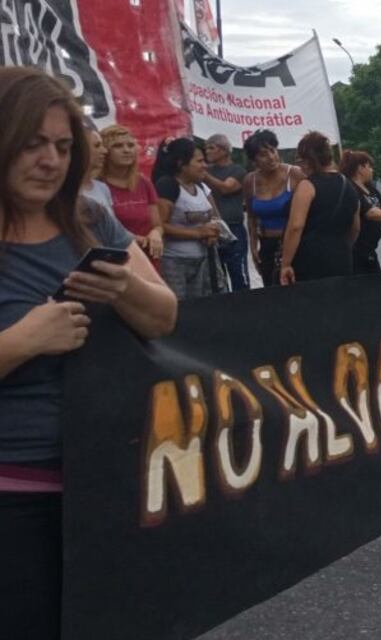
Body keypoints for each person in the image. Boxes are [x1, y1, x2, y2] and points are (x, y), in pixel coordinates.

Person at [0, 67, 177, 639]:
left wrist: (123, 288)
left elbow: (164, 316)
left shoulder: (89, 219)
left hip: (103, 489)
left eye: (61, 145)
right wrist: (23, 341)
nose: (50, 160)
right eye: (32, 144)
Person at [279, 132, 361, 284]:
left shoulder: (307, 186)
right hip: (342, 258)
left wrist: (286, 263)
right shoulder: (349, 186)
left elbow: (296, 226)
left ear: (308, 160)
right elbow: (355, 227)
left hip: (310, 260)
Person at [153, 138, 226, 300]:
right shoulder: (168, 186)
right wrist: (198, 233)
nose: (204, 166)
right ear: (181, 163)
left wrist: (213, 231)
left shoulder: (199, 186)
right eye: (199, 161)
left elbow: (214, 216)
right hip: (175, 264)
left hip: (203, 261)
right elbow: (159, 225)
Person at [243, 129, 306, 287]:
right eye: (263, 154)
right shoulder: (250, 181)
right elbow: (251, 217)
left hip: (296, 244)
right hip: (267, 245)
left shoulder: (295, 174)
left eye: (273, 150)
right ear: (254, 160)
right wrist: (253, 246)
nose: (271, 157)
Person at [99, 124, 164, 262]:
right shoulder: (96, 186)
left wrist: (156, 233)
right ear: (105, 151)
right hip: (117, 259)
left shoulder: (144, 183)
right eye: (118, 146)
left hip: (148, 257)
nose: (127, 150)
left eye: (130, 145)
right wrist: (132, 238)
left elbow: (157, 224)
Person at [203, 134, 249, 291]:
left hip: (234, 228)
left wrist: (204, 175)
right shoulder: (207, 170)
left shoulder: (237, 170)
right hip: (213, 230)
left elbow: (226, 188)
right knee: (217, 277)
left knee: (238, 273)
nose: (207, 152)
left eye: (211, 148)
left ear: (223, 150)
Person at [80, 119, 113, 215]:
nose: (105, 151)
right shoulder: (63, 193)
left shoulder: (102, 188)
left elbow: (113, 228)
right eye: (97, 146)